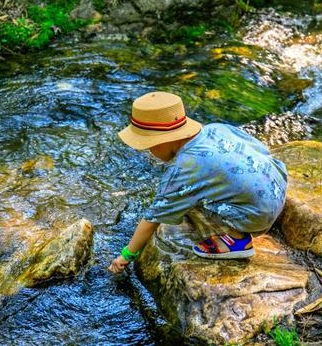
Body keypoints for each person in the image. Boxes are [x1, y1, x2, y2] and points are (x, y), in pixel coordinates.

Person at [108, 91, 288, 274]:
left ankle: (235, 241)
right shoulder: (215, 128)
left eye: (148, 146)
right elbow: (260, 149)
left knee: (186, 198)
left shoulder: (185, 167)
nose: (148, 152)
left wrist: (126, 255)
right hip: (277, 189)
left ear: (162, 140)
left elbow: (153, 217)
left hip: (259, 216)